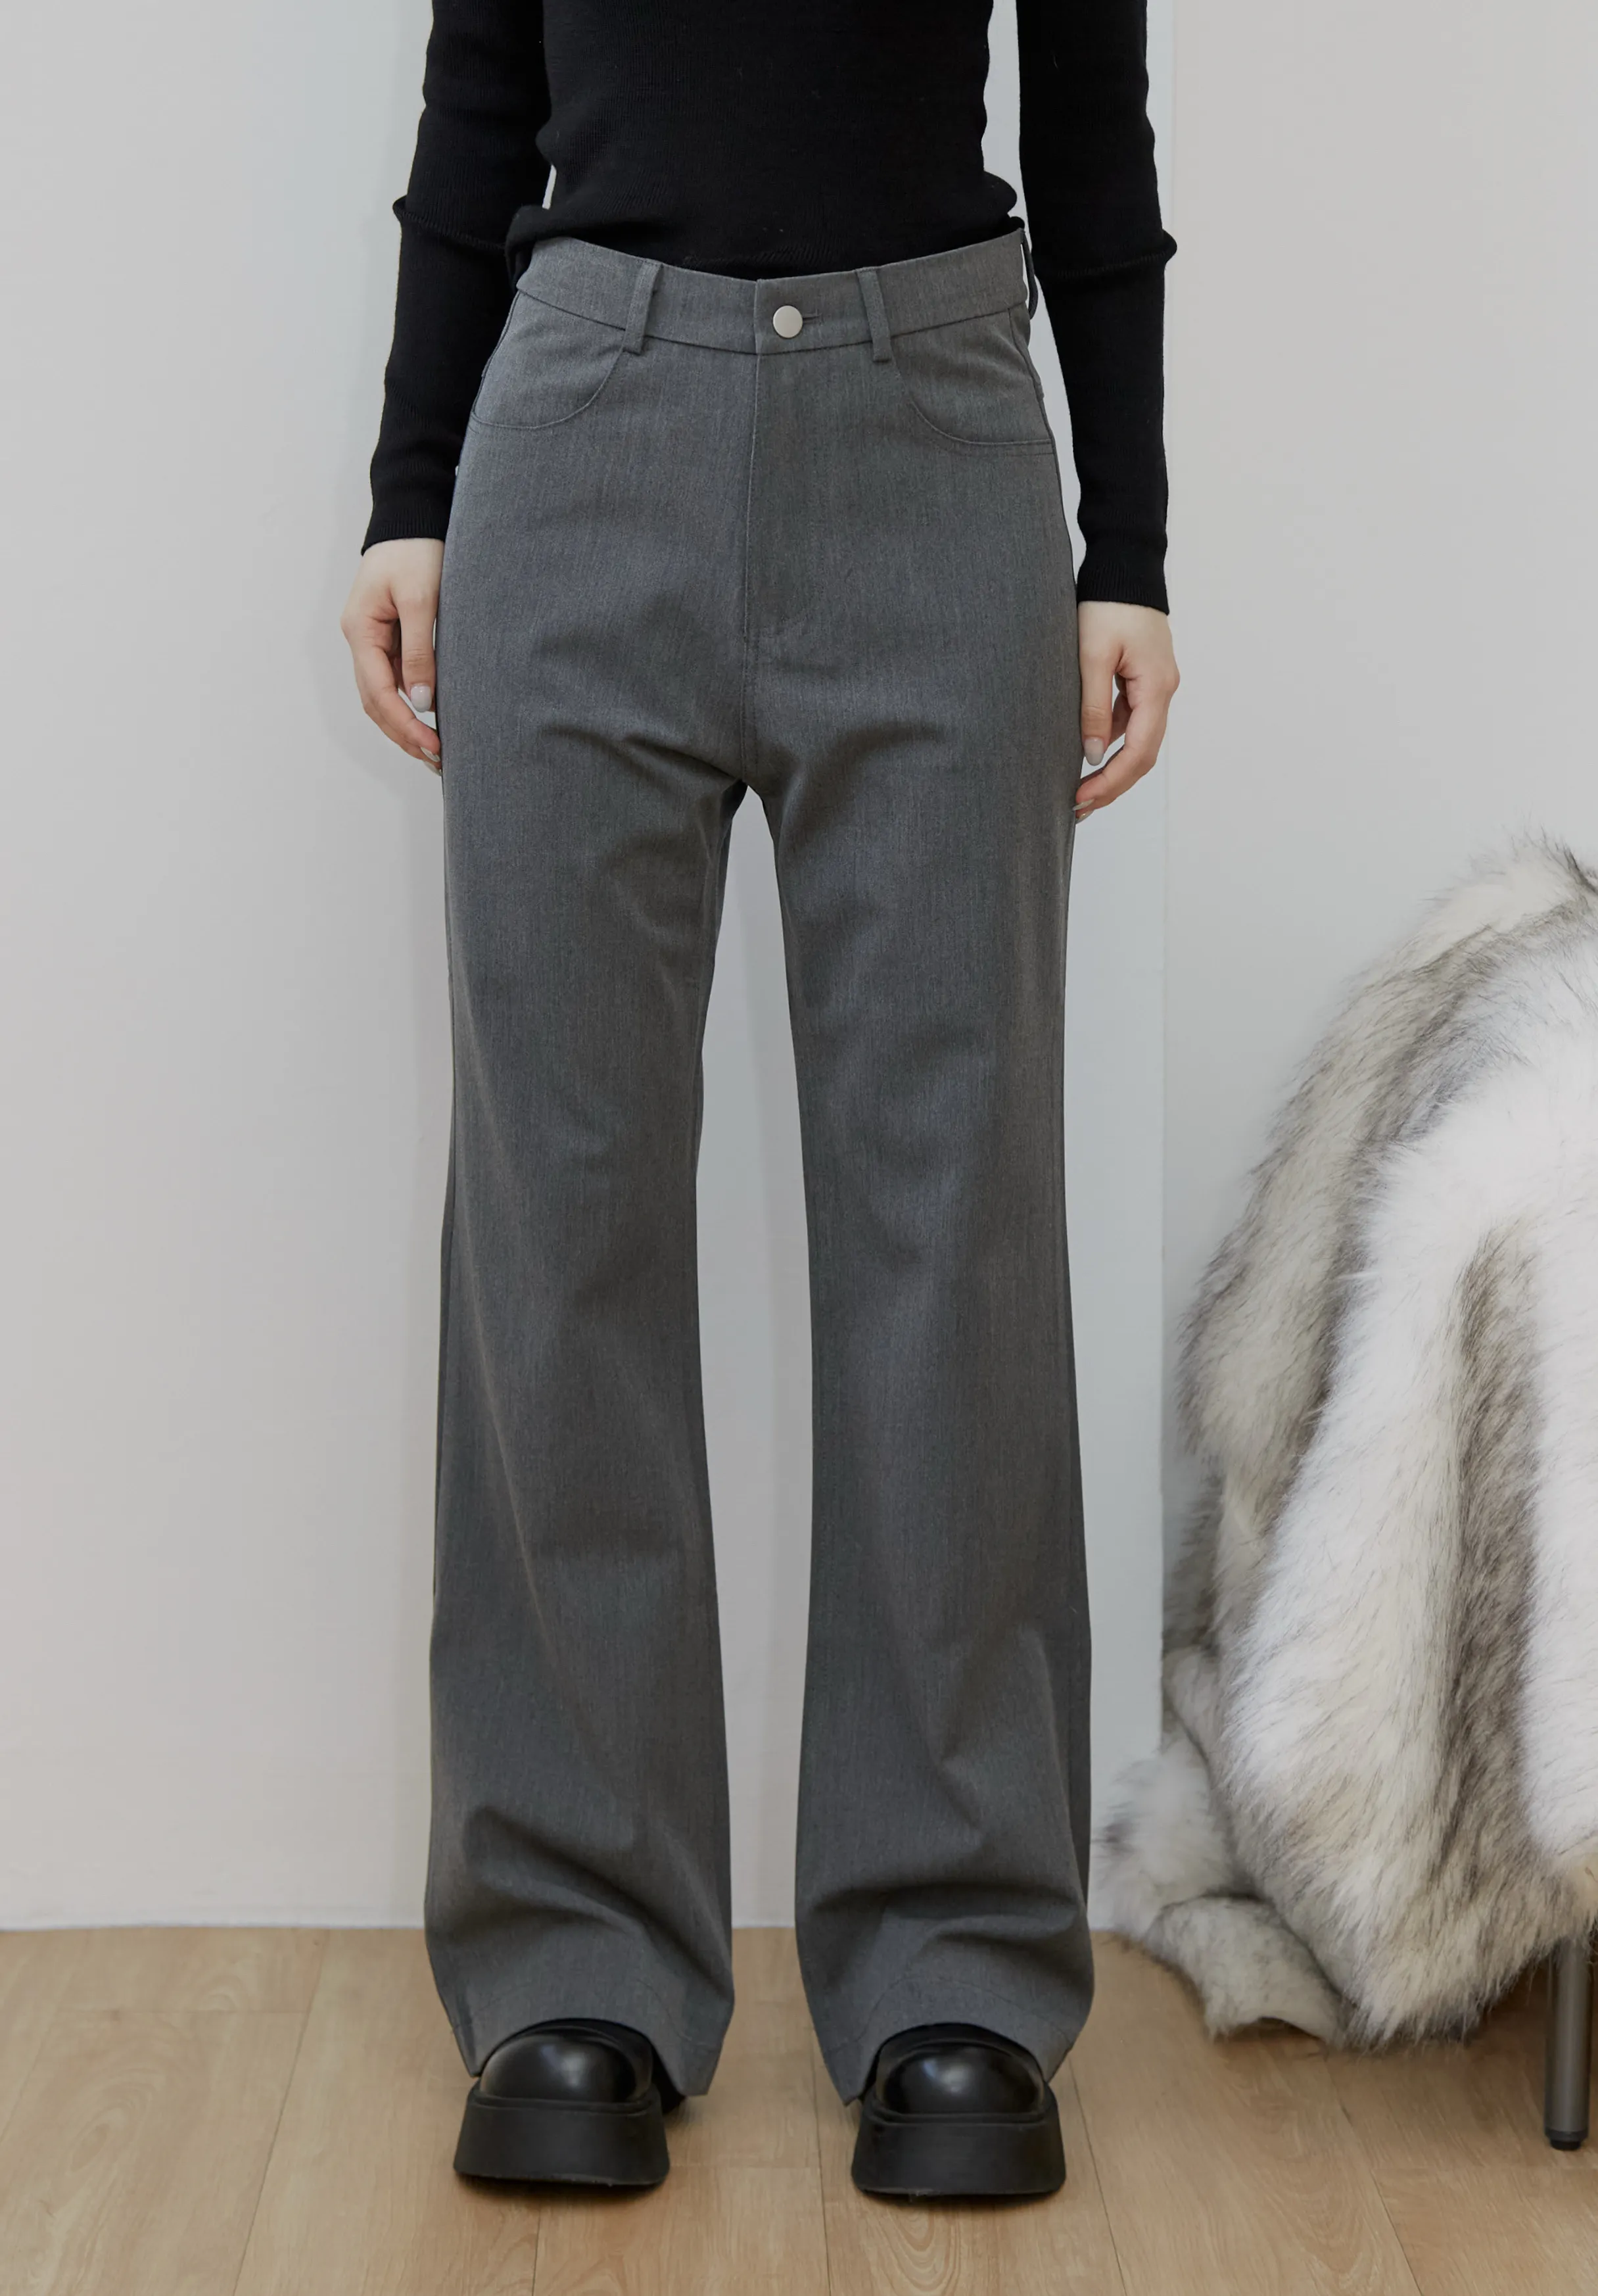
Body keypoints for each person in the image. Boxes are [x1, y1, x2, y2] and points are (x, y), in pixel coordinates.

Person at [340, 0, 1178, 2203]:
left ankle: (956, 1963)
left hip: (937, 436)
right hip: (579, 429)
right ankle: (573, 1951)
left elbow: (1091, 113)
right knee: (561, 1212)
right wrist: (411, 489)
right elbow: (482, 87)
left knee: (950, 1218)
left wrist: (1129, 542)